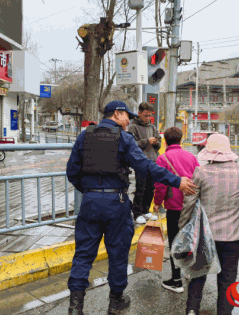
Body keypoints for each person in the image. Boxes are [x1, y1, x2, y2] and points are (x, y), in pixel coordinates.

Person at [66, 100, 198, 315]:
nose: (129, 120)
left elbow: (72, 171)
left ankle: (75, 307)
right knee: (118, 253)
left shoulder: (84, 136)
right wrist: (176, 181)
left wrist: (91, 191)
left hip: (89, 202)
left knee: (82, 255)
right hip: (115, 203)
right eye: (126, 115)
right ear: (117, 114)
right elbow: (145, 166)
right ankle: (116, 301)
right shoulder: (124, 138)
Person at [179, 134, 239, 315]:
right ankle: (224, 312)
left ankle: (192, 310)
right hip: (234, 234)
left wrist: (183, 227)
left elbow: (189, 202)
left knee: (198, 273)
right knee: (228, 276)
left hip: (205, 233)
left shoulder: (201, 172)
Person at [152, 127, 200, 294]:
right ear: (181, 140)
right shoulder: (191, 157)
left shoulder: (162, 158)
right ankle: (189, 272)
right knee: (189, 239)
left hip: (174, 206)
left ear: (165, 141)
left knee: (175, 242)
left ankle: (176, 280)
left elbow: (160, 184)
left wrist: (157, 202)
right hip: (191, 205)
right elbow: (198, 179)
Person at [128, 102, 161, 224]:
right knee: (140, 188)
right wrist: (146, 141)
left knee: (151, 187)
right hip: (140, 162)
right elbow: (131, 144)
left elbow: (159, 142)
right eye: (145, 115)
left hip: (153, 160)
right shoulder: (133, 127)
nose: (147, 118)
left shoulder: (152, 127)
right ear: (139, 113)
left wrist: (156, 142)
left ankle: (146, 210)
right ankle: (137, 213)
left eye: (149, 116)